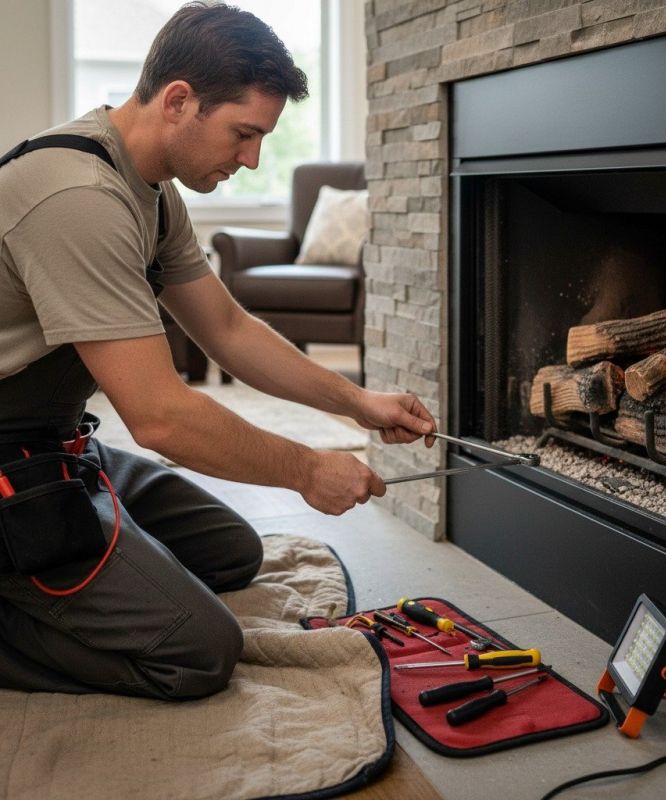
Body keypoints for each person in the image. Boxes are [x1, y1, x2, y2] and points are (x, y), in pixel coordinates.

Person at [0, 2, 436, 702]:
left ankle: (91, 542)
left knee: (232, 553)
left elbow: (228, 330)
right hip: (7, 453)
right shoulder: (76, 195)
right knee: (198, 653)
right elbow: (162, 419)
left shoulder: (152, 193)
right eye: (244, 133)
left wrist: (357, 403)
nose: (253, 158)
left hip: (57, 442)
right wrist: (305, 469)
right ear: (178, 101)